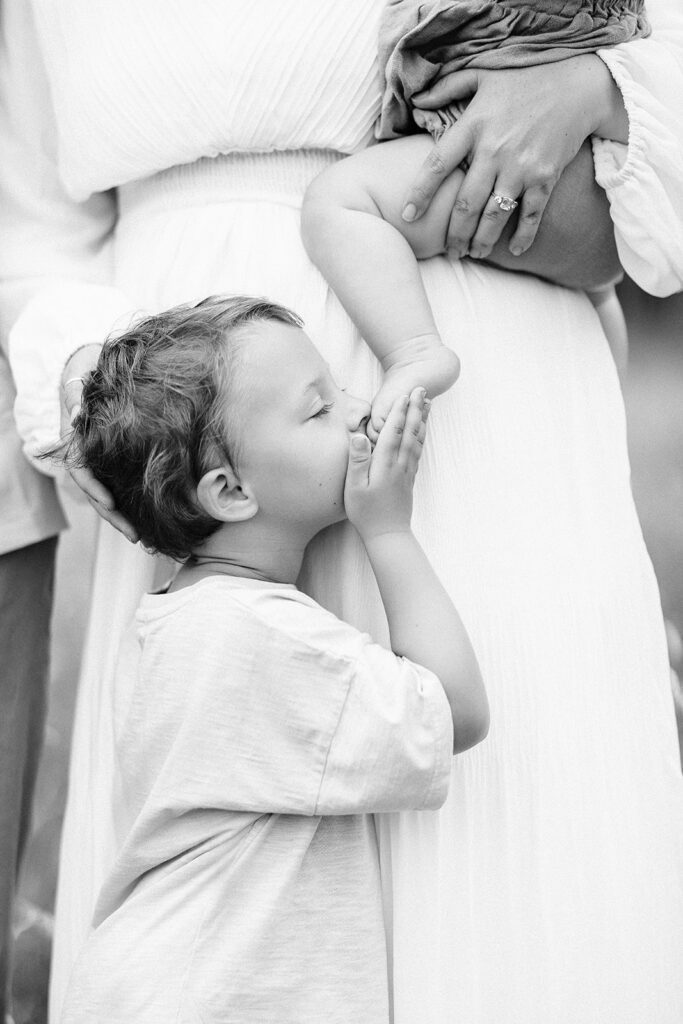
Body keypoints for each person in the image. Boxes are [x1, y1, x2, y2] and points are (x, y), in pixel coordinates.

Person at [1, 2, 682, 1022]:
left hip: (499, 428)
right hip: (197, 438)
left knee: (515, 871)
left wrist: (601, 92)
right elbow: (24, 227)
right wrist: (100, 384)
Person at [55, 294, 487, 1023]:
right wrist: (387, 530)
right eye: (319, 410)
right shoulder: (261, 642)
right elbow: (456, 712)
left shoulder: (177, 619)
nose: (359, 412)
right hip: (213, 994)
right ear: (228, 490)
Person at [303, 0, 650, 434]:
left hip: (526, 143)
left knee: (340, 201)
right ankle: (608, 365)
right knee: (597, 295)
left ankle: (415, 352)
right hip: (608, 171)